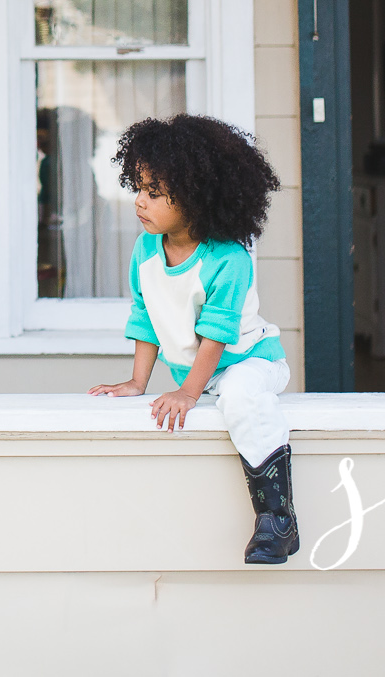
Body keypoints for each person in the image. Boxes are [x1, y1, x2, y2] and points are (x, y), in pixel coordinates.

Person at [88, 113, 298, 564]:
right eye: (138, 189)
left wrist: (188, 391)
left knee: (241, 398)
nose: (140, 202)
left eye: (155, 193)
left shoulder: (228, 259)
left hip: (248, 361)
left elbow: (218, 334)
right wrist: (136, 382)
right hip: (200, 373)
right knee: (224, 394)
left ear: (198, 198)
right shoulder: (146, 250)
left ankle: (277, 517)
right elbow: (146, 317)